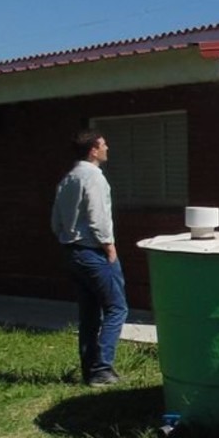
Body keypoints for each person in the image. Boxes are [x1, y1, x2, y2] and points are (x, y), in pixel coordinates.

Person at [51, 129, 129, 388]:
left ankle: (89, 369)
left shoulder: (68, 178)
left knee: (89, 314)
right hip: (93, 251)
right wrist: (109, 246)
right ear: (93, 150)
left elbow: (55, 221)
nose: (108, 148)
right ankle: (102, 369)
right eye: (104, 145)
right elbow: (98, 216)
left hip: (71, 252)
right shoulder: (93, 177)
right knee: (117, 308)